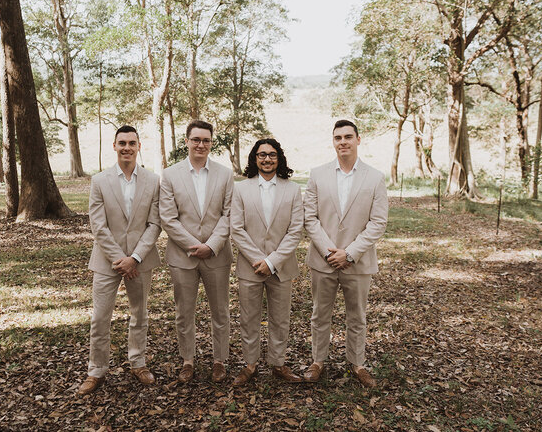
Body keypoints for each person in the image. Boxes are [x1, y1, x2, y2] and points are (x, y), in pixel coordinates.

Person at [302, 119, 388, 388]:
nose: (343, 142)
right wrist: (330, 252)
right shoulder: (317, 174)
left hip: (358, 262)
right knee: (320, 313)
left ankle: (357, 363)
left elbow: (378, 222)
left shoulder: (375, 177)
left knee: (357, 316)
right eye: (338, 137)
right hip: (323, 259)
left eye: (348, 136)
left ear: (358, 140)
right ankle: (318, 361)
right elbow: (310, 217)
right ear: (333, 142)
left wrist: (349, 253)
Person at [78, 125, 161, 395]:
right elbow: (98, 226)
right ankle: (96, 370)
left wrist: (135, 258)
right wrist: (120, 259)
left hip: (141, 260)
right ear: (114, 146)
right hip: (106, 261)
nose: (127, 147)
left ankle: (138, 362)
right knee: (100, 317)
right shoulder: (99, 181)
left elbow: (155, 223)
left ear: (139, 147)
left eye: (132, 143)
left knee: (139, 314)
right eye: (122, 143)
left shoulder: (152, 180)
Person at [159, 120, 234, 383]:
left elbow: (228, 215)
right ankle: (187, 360)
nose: (201, 144)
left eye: (206, 140)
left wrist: (211, 245)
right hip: (183, 256)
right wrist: (194, 246)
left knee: (220, 311)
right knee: (184, 312)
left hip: (217, 255)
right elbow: (168, 218)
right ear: (187, 141)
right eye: (196, 139)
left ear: (211, 143)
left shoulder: (225, 175)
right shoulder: (170, 175)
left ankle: (219, 360)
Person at [230, 138, 304, 386]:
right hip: (250, 266)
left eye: (272, 154)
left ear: (279, 158)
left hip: (281, 267)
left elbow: (295, 231)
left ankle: (278, 363)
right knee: (249, 317)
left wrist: (272, 261)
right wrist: (257, 259)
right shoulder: (240, 189)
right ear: (255, 158)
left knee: (280, 318)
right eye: (262, 154)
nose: (267, 159)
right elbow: (236, 229)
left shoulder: (292, 190)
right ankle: (250, 365)